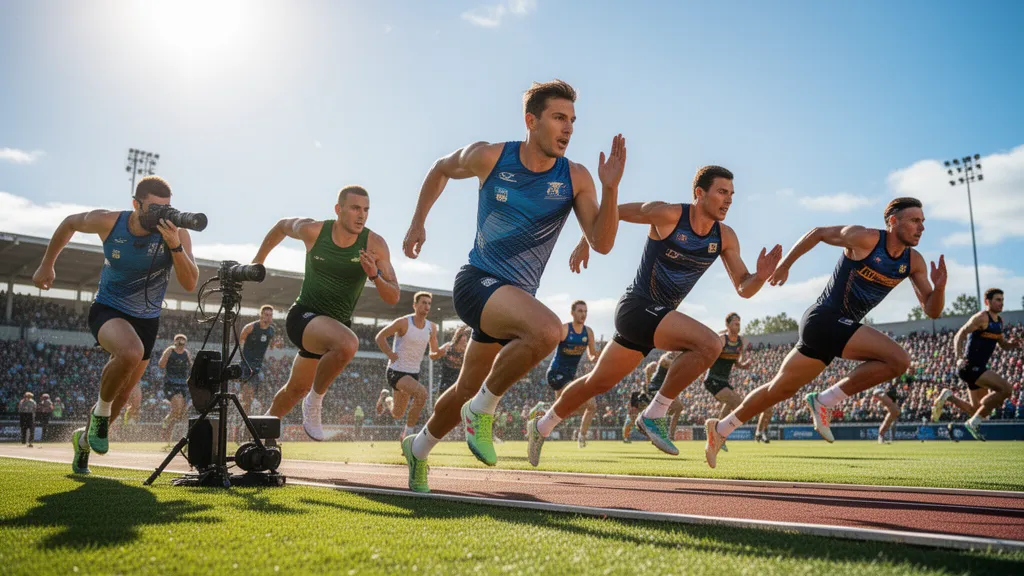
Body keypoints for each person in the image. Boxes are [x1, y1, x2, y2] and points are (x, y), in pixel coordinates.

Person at [400, 80, 626, 492]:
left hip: (513, 301)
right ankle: (482, 411)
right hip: (477, 283)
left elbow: (603, 242)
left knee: (464, 387)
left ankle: (417, 449)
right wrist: (419, 221)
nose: (568, 128)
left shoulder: (575, 177)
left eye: (572, 120)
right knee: (547, 330)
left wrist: (610, 188)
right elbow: (439, 169)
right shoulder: (490, 156)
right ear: (531, 120)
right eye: (559, 118)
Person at [528, 165, 783, 466]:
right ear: (700, 194)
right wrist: (588, 240)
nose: (728, 200)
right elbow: (619, 211)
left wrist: (761, 276)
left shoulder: (725, 237)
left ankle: (540, 426)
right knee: (711, 344)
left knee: (596, 383)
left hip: (655, 320)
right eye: (722, 192)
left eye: (731, 194)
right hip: (636, 308)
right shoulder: (669, 215)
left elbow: (744, 288)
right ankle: (654, 414)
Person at [705, 197, 947, 468]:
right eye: (915, 221)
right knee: (898, 360)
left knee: (778, 390)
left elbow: (932, 311)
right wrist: (785, 264)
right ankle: (824, 400)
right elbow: (819, 233)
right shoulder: (865, 239)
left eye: (923, 222)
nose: (921, 227)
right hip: (824, 320)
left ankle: (721, 429)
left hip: (833, 333)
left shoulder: (914, 262)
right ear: (893, 221)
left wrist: (939, 290)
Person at [32, 175, 199, 474]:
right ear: (135, 204)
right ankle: (99, 416)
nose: (161, 215)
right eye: (153, 208)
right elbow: (70, 222)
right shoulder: (109, 222)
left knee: (123, 397)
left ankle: (83, 442)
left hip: (147, 319)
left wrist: (175, 246)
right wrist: (47, 263)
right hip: (108, 308)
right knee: (130, 351)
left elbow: (189, 283)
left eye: (167, 208)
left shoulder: (177, 233)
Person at [254, 185, 400, 441]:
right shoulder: (313, 230)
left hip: (333, 327)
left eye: (366, 210)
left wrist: (374, 275)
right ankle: (315, 401)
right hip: (303, 317)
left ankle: (260, 436)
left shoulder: (374, 244)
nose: (361, 215)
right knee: (348, 344)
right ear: (338, 209)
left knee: (295, 389)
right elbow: (281, 226)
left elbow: (393, 296)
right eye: (355, 208)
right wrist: (258, 261)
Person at [931, 288, 1020, 440]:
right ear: (988, 302)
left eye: (1002, 300)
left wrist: (1013, 344)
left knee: (977, 409)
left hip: (977, 369)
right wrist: (958, 357)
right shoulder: (981, 317)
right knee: (1006, 389)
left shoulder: (999, 322)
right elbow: (960, 334)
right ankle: (973, 423)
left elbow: (1002, 344)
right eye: (998, 300)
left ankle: (949, 396)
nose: (1001, 303)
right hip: (970, 366)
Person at [375, 292, 445, 441]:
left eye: (429, 303)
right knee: (422, 394)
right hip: (396, 371)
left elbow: (433, 354)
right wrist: (389, 353)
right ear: (415, 305)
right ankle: (408, 435)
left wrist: (441, 351)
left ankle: (385, 398)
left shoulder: (432, 327)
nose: (426, 306)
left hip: (413, 373)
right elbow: (380, 336)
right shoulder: (403, 322)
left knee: (397, 413)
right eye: (423, 303)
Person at [530, 300, 599, 448]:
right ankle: (543, 412)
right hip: (556, 373)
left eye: (585, 311)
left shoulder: (589, 332)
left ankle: (580, 435)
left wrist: (599, 357)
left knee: (578, 409)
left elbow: (592, 356)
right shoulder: (565, 329)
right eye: (580, 311)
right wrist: (536, 357)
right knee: (589, 402)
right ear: (572, 313)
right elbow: (548, 344)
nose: (583, 314)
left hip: (570, 376)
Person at [239, 305, 276, 415]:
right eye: (266, 315)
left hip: (259, 365)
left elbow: (272, 346)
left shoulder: (271, 331)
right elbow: (240, 341)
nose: (269, 317)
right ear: (261, 315)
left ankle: (257, 416)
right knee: (247, 397)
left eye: (270, 315)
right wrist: (243, 359)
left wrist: (277, 344)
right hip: (247, 364)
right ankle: (244, 417)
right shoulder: (250, 327)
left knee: (262, 394)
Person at [159, 334, 192, 445]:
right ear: (174, 342)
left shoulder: (186, 353)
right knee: (177, 406)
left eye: (182, 342)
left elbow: (191, 367)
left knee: (179, 413)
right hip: (171, 383)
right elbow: (161, 365)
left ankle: (167, 430)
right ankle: (166, 429)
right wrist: (168, 358)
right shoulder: (170, 351)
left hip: (183, 384)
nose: (180, 344)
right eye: (178, 341)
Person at [436, 325, 471, 397]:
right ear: (457, 339)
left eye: (465, 337)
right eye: (462, 336)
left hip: (459, 378)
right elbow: (435, 354)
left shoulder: (468, 349)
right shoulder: (448, 346)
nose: (464, 339)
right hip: (446, 378)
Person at [871, 380, 904, 444]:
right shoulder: (883, 395)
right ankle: (881, 437)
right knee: (887, 423)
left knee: (890, 419)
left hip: (891, 404)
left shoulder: (888, 393)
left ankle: (881, 436)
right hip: (881, 392)